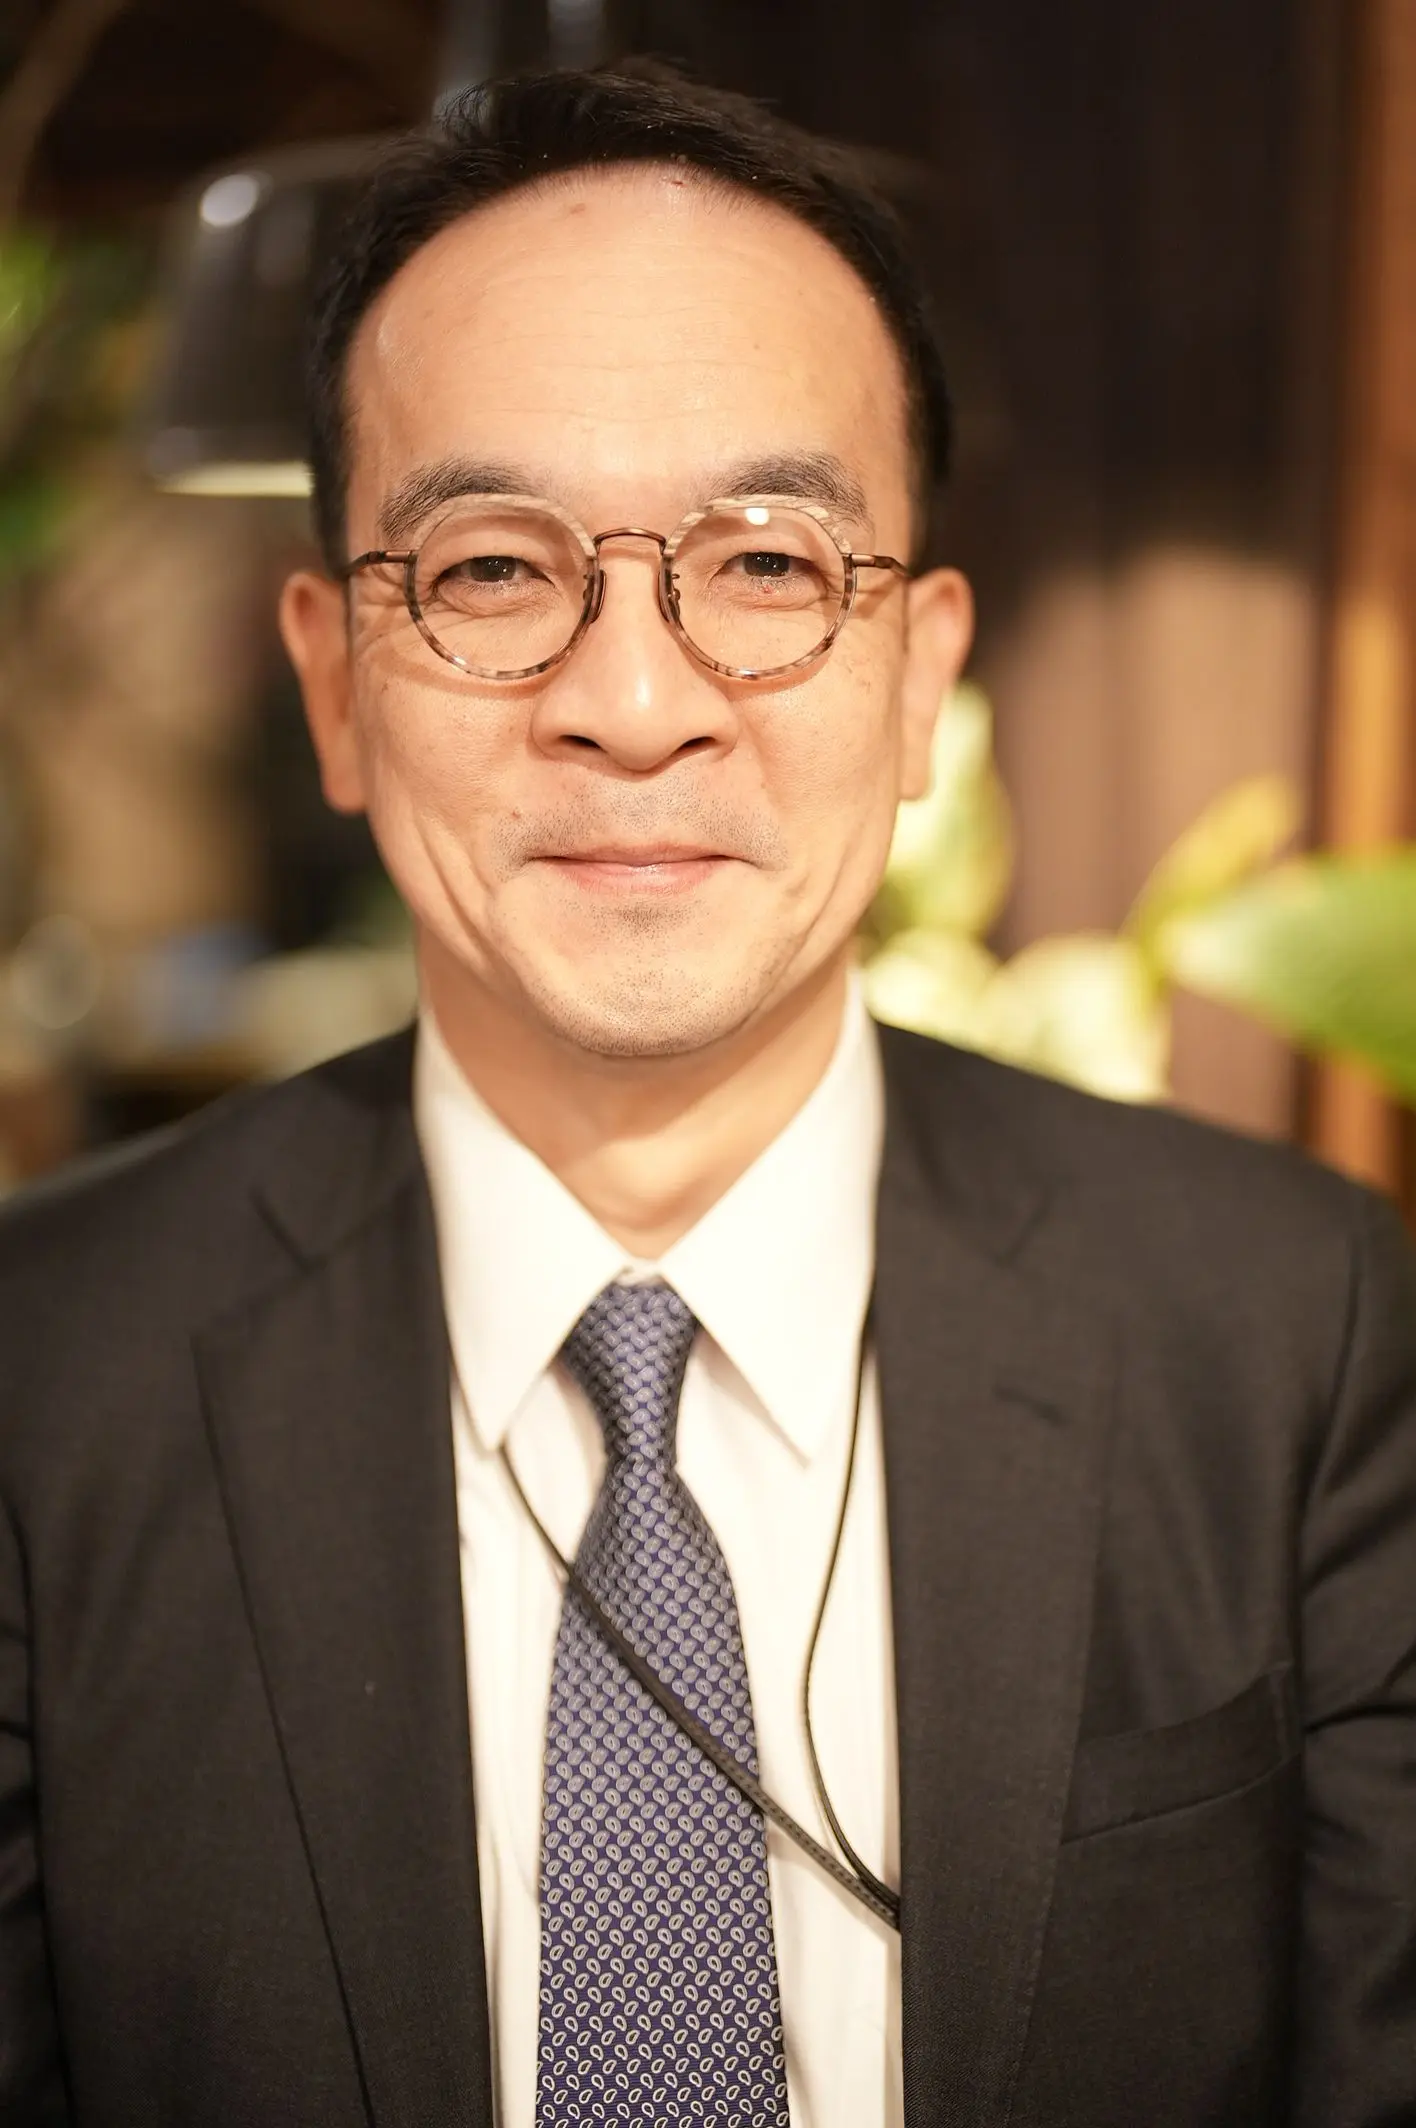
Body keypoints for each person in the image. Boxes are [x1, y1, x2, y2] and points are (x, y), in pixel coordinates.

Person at [2, 61, 1413, 2128]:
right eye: (492, 569)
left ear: (920, 678)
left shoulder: (1289, 1329)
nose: (636, 704)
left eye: (765, 565)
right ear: (332, 683)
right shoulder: (43, 1375)